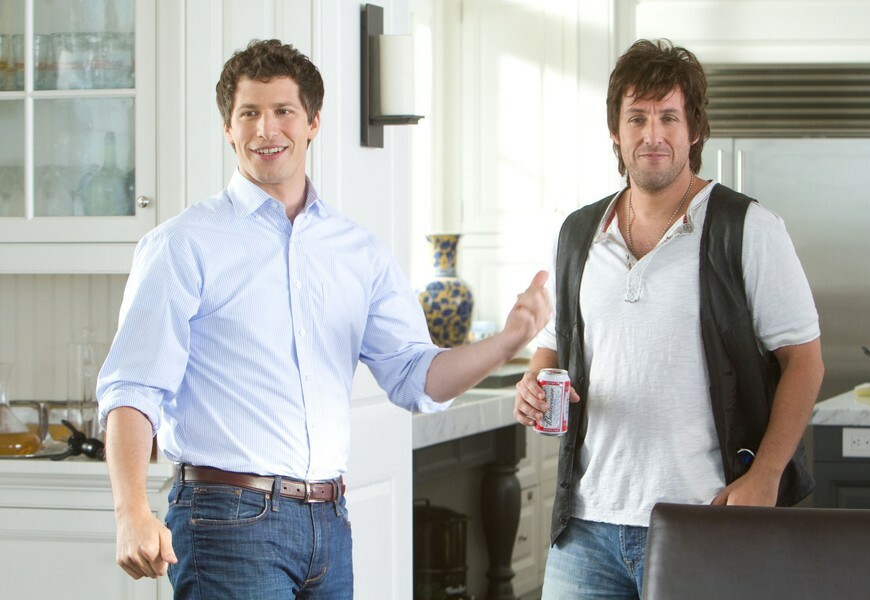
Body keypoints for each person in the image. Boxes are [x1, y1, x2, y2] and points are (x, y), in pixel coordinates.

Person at [98, 39, 550, 599]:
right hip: (227, 523)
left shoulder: (358, 252)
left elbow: (417, 377)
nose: (266, 129)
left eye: (283, 111)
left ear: (313, 122)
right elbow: (133, 387)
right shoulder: (182, 245)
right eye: (249, 113)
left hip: (329, 522)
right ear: (228, 128)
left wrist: (508, 340)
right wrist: (130, 511)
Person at [514, 39, 824, 599]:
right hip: (586, 528)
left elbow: (804, 360)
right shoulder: (578, 233)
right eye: (637, 117)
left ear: (694, 129)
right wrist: (533, 385)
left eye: (668, 117)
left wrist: (766, 474)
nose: (652, 134)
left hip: (704, 519)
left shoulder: (748, 229)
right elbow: (555, 345)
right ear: (615, 130)